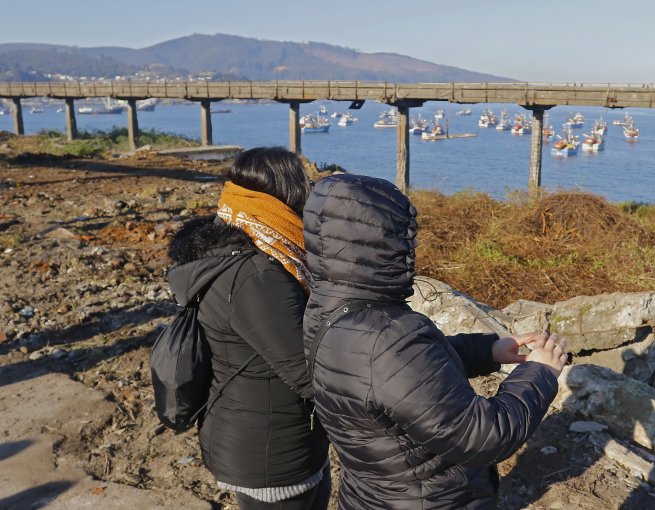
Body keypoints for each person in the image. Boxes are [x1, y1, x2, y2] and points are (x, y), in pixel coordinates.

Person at [302, 173, 568, 509]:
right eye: (402, 236)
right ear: (375, 244)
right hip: (431, 500)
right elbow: (483, 435)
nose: (412, 246)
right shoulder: (386, 336)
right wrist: (540, 373)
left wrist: (486, 351)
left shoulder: (327, 307)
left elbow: (401, 379)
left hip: (374, 495)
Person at [167, 147, 330, 509]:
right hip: (273, 453)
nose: (310, 191)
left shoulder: (237, 243)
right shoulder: (256, 276)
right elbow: (308, 374)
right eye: (305, 183)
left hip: (263, 431)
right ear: (287, 192)